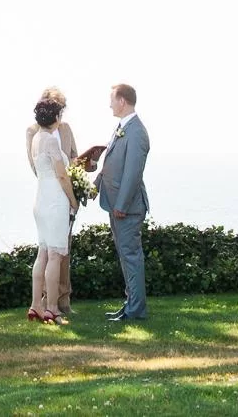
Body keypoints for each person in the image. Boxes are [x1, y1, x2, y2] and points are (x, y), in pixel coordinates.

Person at [96, 82, 150, 322]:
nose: (109, 105)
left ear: (122, 101)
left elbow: (132, 173)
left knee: (131, 256)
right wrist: (95, 184)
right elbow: (112, 165)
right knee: (124, 256)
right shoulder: (122, 128)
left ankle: (136, 309)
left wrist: (122, 205)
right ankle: (130, 304)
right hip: (115, 204)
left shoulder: (137, 132)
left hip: (126, 208)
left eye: (111, 99)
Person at [25, 86, 78, 314]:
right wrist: (73, 200)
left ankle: (36, 305)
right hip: (56, 201)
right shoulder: (50, 141)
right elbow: (62, 175)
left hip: (40, 200)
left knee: (42, 254)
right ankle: (52, 308)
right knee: (56, 256)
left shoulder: (37, 138)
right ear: (55, 116)